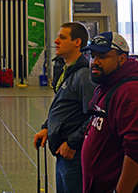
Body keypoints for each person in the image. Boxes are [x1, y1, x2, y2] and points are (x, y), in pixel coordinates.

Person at [81, 31, 138, 193]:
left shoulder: (133, 92)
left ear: (122, 59)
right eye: (92, 56)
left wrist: (121, 191)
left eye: (102, 56)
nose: (94, 62)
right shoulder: (109, 85)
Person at [33, 22, 95, 193]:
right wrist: (47, 128)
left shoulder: (83, 75)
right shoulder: (69, 71)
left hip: (74, 155)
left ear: (77, 42)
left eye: (62, 37)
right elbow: (64, 107)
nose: (56, 41)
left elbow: (94, 116)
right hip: (63, 153)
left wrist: (73, 143)